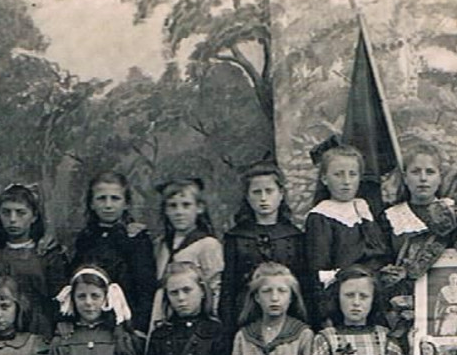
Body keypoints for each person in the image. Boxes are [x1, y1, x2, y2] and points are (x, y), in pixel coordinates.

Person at [71, 171, 157, 338]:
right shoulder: (86, 238)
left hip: (125, 323)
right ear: (91, 204)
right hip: (90, 319)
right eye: (101, 198)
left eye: (115, 198)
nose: (108, 205)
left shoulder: (136, 239)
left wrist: (140, 327)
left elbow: (145, 287)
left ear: (126, 204)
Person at [0, 183, 71, 339]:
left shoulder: (47, 254)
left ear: (34, 216)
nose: (13, 219)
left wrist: (62, 321)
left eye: (20, 213)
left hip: (40, 327)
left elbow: (60, 295)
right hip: (3, 329)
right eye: (6, 213)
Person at [224, 161, 310, 323]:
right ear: (247, 197)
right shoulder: (236, 237)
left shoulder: (295, 237)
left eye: (269, 191)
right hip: (245, 314)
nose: (263, 198)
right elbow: (229, 287)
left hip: (288, 315)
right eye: (257, 192)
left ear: (281, 194)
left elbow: (304, 284)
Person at [303, 141, 390, 296]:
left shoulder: (363, 208)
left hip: (372, 290)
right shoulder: (321, 217)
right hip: (341, 293)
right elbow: (320, 272)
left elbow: (378, 252)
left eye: (352, 174)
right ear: (324, 179)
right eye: (338, 174)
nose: (346, 181)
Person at [149, 177, 226, 336]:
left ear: (199, 208)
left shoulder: (207, 245)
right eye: (172, 206)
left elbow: (215, 289)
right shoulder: (161, 245)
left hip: (197, 326)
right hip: (164, 319)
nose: (179, 212)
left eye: (186, 205)